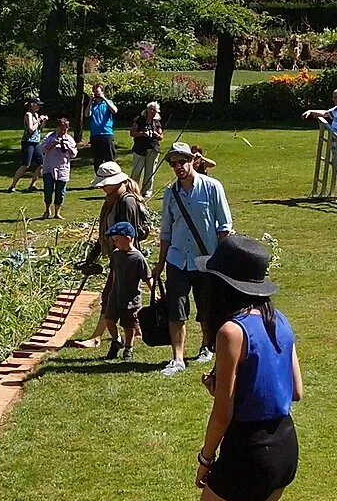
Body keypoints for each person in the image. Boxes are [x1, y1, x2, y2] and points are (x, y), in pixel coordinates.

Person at [191, 234, 303, 501]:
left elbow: (224, 411)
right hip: (283, 445)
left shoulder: (230, 331)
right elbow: (296, 390)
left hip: (247, 450)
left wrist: (205, 458)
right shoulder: (283, 322)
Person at [152, 141, 233, 377]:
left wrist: (219, 257)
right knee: (176, 309)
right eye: (173, 163)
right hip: (177, 259)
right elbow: (165, 230)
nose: (178, 167)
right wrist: (160, 262)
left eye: (182, 161)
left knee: (206, 307)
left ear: (193, 160)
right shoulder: (170, 193)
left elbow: (224, 226)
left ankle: (206, 346)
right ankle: (177, 358)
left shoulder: (212, 187)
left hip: (206, 259)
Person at [71, 217, 150, 359]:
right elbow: (114, 273)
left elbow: (147, 277)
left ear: (128, 238)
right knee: (109, 319)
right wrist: (111, 290)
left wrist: (154, 293)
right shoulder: (116, 255)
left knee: (128, 325)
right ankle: (116, 339)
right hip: (115, 294)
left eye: (116, 240)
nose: (114, 242)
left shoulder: (138, 258)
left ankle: (128, 348)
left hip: (131, 298)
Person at [304, 87, 337, 199]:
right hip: (336, 143)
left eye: (334, 98)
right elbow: (325, 113)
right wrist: (311, 111)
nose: (333, 100)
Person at [39, 115, 78, 220]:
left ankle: (57, 212)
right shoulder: (50, 136)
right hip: (49, 168)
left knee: (60, 192)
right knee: (48, 190)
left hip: (63, 169)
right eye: (61, 129)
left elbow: (74, 154)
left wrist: (68, 146)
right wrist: (53, 143)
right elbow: (42, 148)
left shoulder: (69, 139)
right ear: (57, 128)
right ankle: (47, 210)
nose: (63, 132)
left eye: (65, 130)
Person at [8, 96, 44, 193]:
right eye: (38, 105)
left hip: (36, 142)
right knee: (25, 165)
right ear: (32, 105)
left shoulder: (36, 115)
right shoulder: (28, 115)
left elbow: (39, 129)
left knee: (41, 164)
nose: (39, 107)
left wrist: (43, 121)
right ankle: (12, 186)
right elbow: (31, 129)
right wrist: (39, 120)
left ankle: (32, 185)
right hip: (28, 142)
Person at [130, 101, 163, 192]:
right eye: (151, 109)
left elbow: (161, 137)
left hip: (153, 148)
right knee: (136, 171)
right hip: (139, 148)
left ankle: (147, 191)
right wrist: (141, 133)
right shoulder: (139, 120)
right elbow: (132, 133)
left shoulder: (157, 122)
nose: (152, 111)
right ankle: (132, 190)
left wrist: (156, 134)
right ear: (147, 109)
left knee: (150, 171)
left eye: (154, 110)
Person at [86, 82, 119, 169]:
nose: (97, 95)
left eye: (99, 93)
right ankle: (99, 178)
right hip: (95, 135)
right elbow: (87, 114)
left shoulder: (108, 103)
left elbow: (115, 111)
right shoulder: (92, 105)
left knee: (110, 158)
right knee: (97, 160)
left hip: (107, 133)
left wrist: (104, 99)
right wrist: (90, 101)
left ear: (102, 92)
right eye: (95, 93)